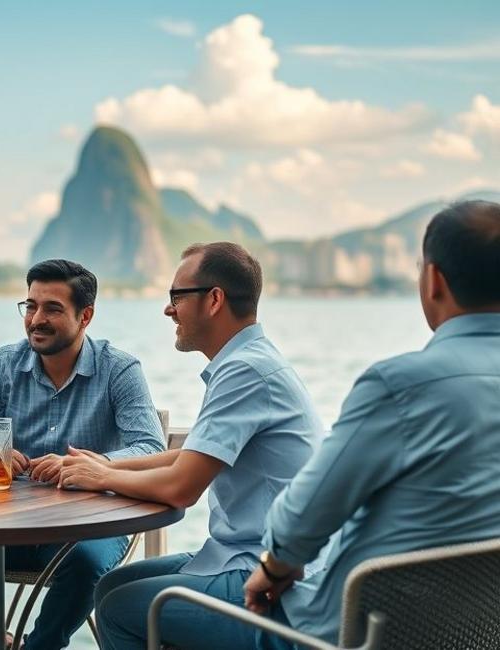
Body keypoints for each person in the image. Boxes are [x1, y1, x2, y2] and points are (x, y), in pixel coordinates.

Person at [243, 200, 500, 647]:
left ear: (434, 280)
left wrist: (273, 567)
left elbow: (298, 524)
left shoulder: (401, 385)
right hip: (481, 633)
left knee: (134, 604)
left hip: (358, 634)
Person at [0, 258, 166, 650]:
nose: (36, 319)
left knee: (86, 562)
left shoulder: (119, 369)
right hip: (6, 527)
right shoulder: (4, 364)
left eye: (52, 308)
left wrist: (91, 465)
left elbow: (151, 448)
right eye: (30, 306)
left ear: (85, 316)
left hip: (85, 529)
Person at [64, 242, 324, 650]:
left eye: (176, 297)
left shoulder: (245, 371)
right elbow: (191, 456)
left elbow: (182, 488)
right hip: (245, 557)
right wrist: (108, 466)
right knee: (112, 586)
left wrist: (103, 476)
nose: (169, 310)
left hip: (274, 584)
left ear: (214, 299)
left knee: (119, 608)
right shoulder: (250, 361)